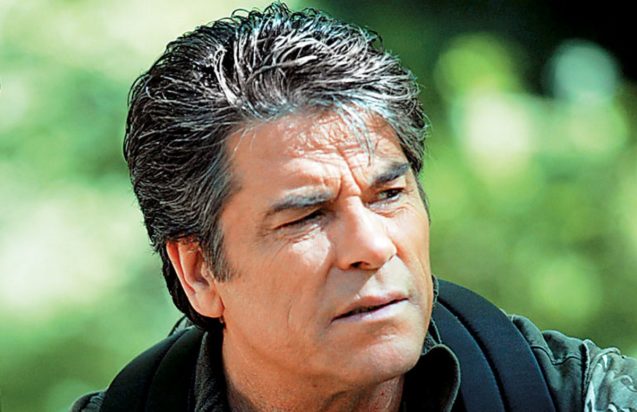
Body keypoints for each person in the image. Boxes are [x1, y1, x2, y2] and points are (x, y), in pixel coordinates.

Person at [72, 3, 636, 411]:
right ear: (199, 272)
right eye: (306, 217)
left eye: (388, 195)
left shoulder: (577, 396)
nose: (373, 245)